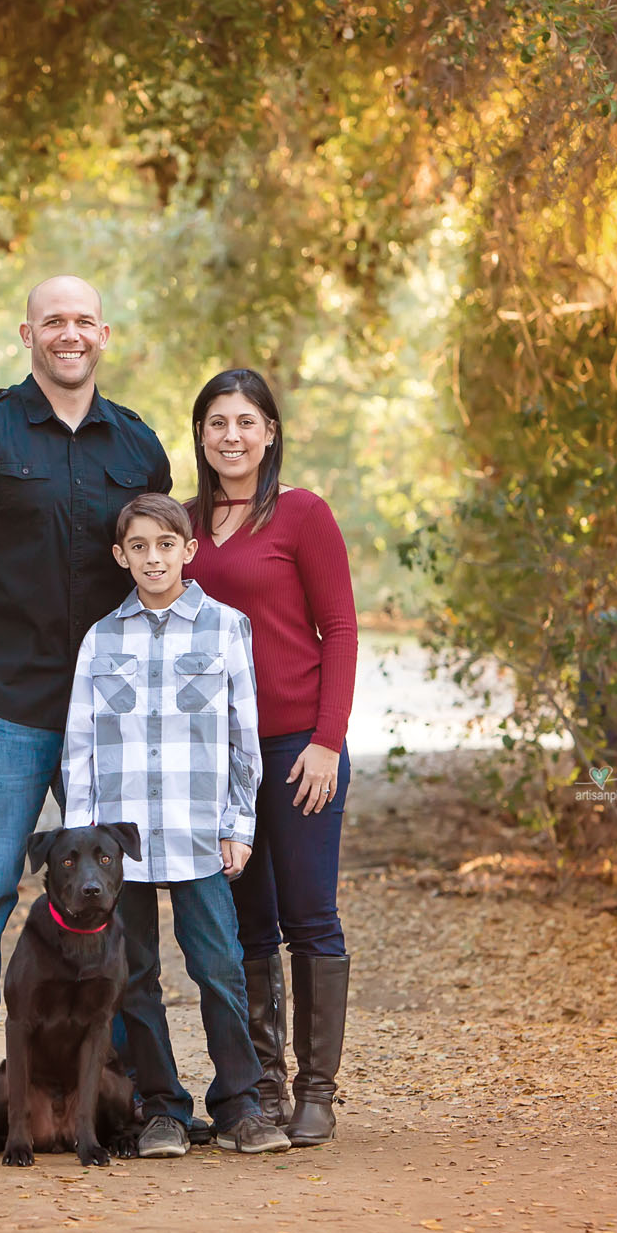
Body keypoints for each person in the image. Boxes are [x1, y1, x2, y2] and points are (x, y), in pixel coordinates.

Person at [0, 275, 172, 1158]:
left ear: (106, 333)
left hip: (107, 715)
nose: (69, 334)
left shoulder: (137, 444)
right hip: (2, 709)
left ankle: (123, 1100)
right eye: (52, 320)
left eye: (83, 321)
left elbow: (161, 568)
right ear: (28, 332)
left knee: (119, 901)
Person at [63, 492, 291, 1158]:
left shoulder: (225, 628)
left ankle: (240, 1103)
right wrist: (83, 846)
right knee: (133, 975)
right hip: (120, 847)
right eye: (139, 546)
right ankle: (162, 1105)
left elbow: (243, 736)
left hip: (198, 832)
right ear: (121, 555)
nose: (154, 557)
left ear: (188, 550)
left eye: (167, 544)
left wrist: (238, 822)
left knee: (218, 966)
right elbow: (81, 746)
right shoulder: (103, 638)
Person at [183, 368, 356, 1147]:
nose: (231, 436)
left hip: (296, 749)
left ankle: (318, 1089)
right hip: (219, 755)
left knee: (309, 915)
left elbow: (340, 631)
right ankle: (262, 1086)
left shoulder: (301, 515)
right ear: (201, 435)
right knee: (247, 920)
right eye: (217, 422)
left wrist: (327, 740)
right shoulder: (181, 524)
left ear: (271, 432)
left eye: (246, 421)